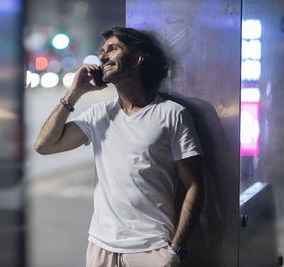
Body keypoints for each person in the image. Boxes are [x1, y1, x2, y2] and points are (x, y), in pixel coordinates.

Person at [34, 27, 203, 267]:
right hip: (100, 248)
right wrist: (74, 93)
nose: (102, 57)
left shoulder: (172, 115)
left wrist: (175, 250)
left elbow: (195, 186)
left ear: (137, 59)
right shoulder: (99, 115)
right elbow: (44, 146)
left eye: (112, 49)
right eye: (102, 51)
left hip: (151, 250)